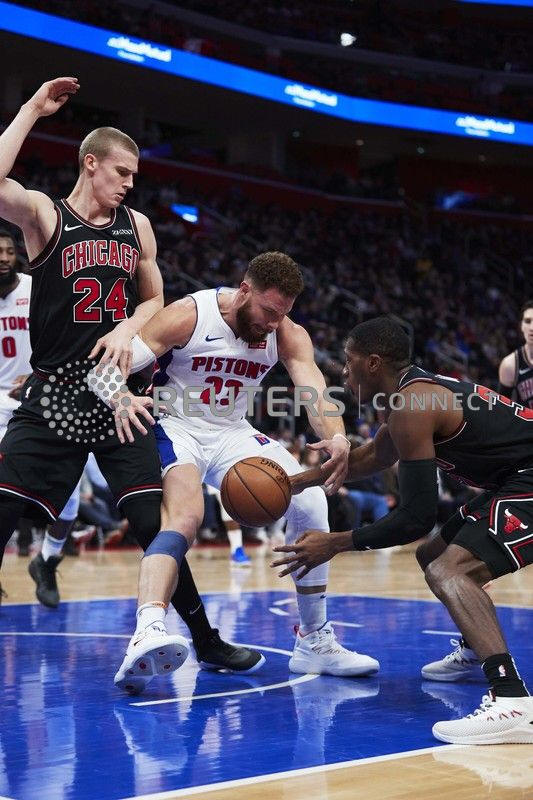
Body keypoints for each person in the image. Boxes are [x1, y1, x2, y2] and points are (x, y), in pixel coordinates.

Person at [0, 77, 261, 692]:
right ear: (90, 164)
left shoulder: (136, 225)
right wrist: (33, 109)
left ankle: (206, 640)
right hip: (55, 393)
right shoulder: (46, 215)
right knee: (4, 508)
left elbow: (155, 300)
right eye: (121, 172)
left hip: (119, 395)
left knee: (156, 522)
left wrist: (126, 329)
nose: (128, 184)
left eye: (134, 176)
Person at [104, 251, 379, 682]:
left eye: (282, 313)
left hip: (232, 430)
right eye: (268, 311)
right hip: (175, 425)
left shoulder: (286, 332)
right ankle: (148, 629)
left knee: (310, 500)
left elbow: (315, 392)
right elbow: (106, 368)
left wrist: (338, 437)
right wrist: (120, 397)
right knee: (186, 518)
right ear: (245, 290)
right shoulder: (190, 315)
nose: (273, 322)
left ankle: (313, 639)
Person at [273, 316, 533, 745]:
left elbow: (415, 517)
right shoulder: (408, 395)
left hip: (527, 480)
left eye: (349, 361)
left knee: (450, 570)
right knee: (432, 555)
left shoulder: (414, 404)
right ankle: (476, 647)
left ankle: (512, 700)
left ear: (373, 363)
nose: (344, 372)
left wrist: (335, 543)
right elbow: (374, 456)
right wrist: (298, 481)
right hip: (515, 480)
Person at [498, 299, 533, 409]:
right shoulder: (510, 365)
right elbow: (501, 409)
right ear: (521, 326)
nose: (532, 328)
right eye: (527, 321)